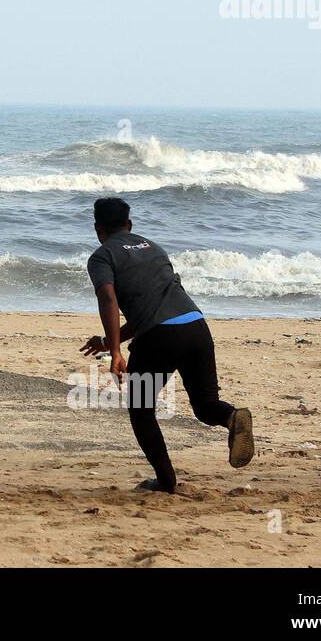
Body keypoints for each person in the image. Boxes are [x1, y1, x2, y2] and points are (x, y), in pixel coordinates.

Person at [80, 197, 252, 493]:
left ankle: (166, 480)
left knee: (141, 408)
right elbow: (154, 307)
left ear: (98, 229)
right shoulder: (153, 248)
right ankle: (232, 416)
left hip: (158, 337)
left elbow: (108, 298)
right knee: (205, 405)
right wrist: (111, 342)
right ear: (129, 225)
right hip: (196, 326)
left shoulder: (102, 256)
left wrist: (116, 353)